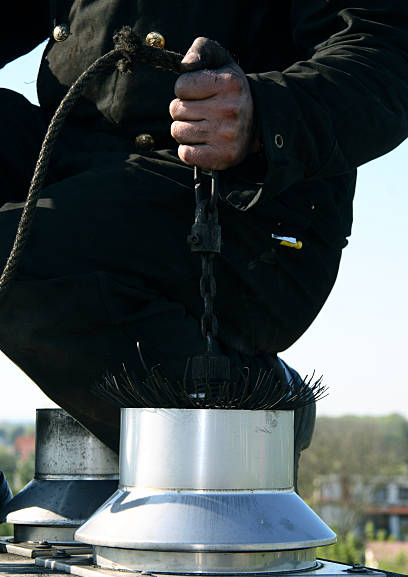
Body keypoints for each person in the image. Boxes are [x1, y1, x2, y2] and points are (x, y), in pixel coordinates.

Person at [0, 1, 407, 481]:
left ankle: (242, 401)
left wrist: (262, 114)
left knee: (11, 254)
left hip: (242, 207)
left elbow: (386, 49)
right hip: (73, 164)